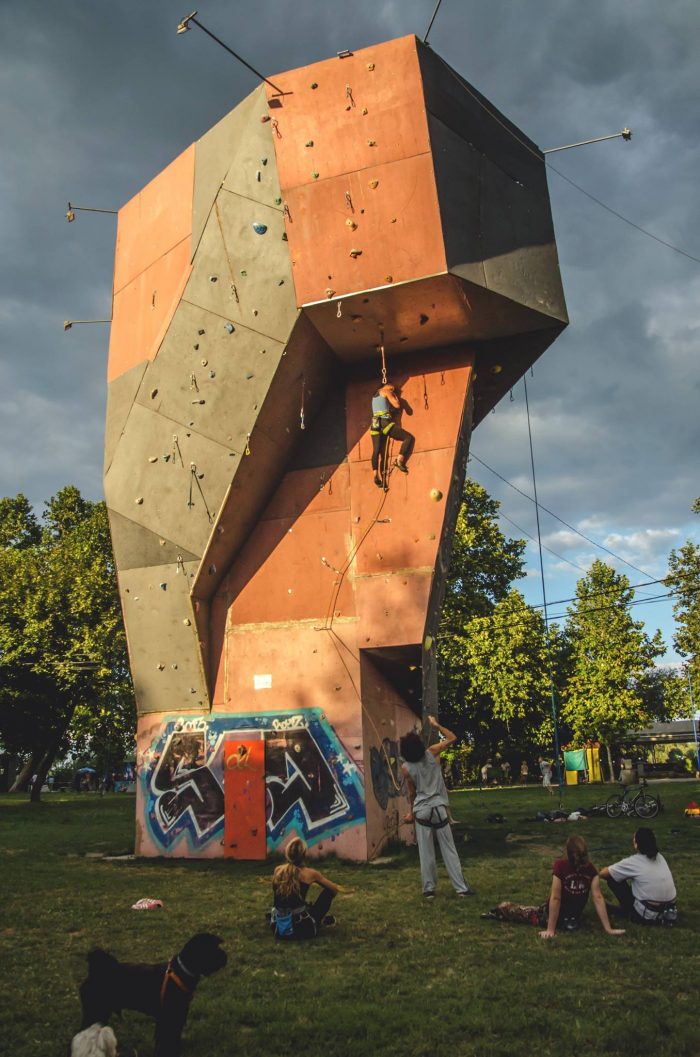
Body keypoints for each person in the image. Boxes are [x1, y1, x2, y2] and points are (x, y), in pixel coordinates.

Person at [482, 835, 625, 940]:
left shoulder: (563, 866)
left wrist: (551, 929)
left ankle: (505, 907)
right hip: (563, 915)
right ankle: (503, 909)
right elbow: (597, 898)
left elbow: (557, 897)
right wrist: (608, 929)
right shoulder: (589, 869)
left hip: (559, 915)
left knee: (525, 912)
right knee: (527, 911)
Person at [400, 716, 474, 898]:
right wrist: (436, 725)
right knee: (449, 849)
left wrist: (410, 813)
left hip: (422, 811)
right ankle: (461, 889)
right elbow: (452, 738)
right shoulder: (432, 752)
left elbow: (412, 794)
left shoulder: (405, 767)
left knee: (426, 853)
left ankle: (429, 890)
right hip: (439, 808)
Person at [599, 827, 677, 925]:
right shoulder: (660, 857)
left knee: (612, 879)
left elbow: (604, 874)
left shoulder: (634, 862)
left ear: (636, 845)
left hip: (648, 915)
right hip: (670, 911)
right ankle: (624, 910)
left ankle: (628, 912)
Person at [269, 837, 342, 940]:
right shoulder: (310, 873)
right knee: (328, 892)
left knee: (297, 905)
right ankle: (318, 920)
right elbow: (334, 889)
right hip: (302, 928)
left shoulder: (278, 870)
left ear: (288, 853)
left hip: (277, 926)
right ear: (304, 855)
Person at [370, 382, 414, 486]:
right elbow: (397, 405)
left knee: (377, 450)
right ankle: (399, 460)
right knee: (408, 437)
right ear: (386, 385)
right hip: (385, 424)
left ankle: (375, 474)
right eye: (392, 388)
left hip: (375, 424)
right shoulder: (386, 391)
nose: (393, 389)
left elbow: (382, 409)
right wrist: (394, 395)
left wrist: (391, 412)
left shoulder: (374, 396)